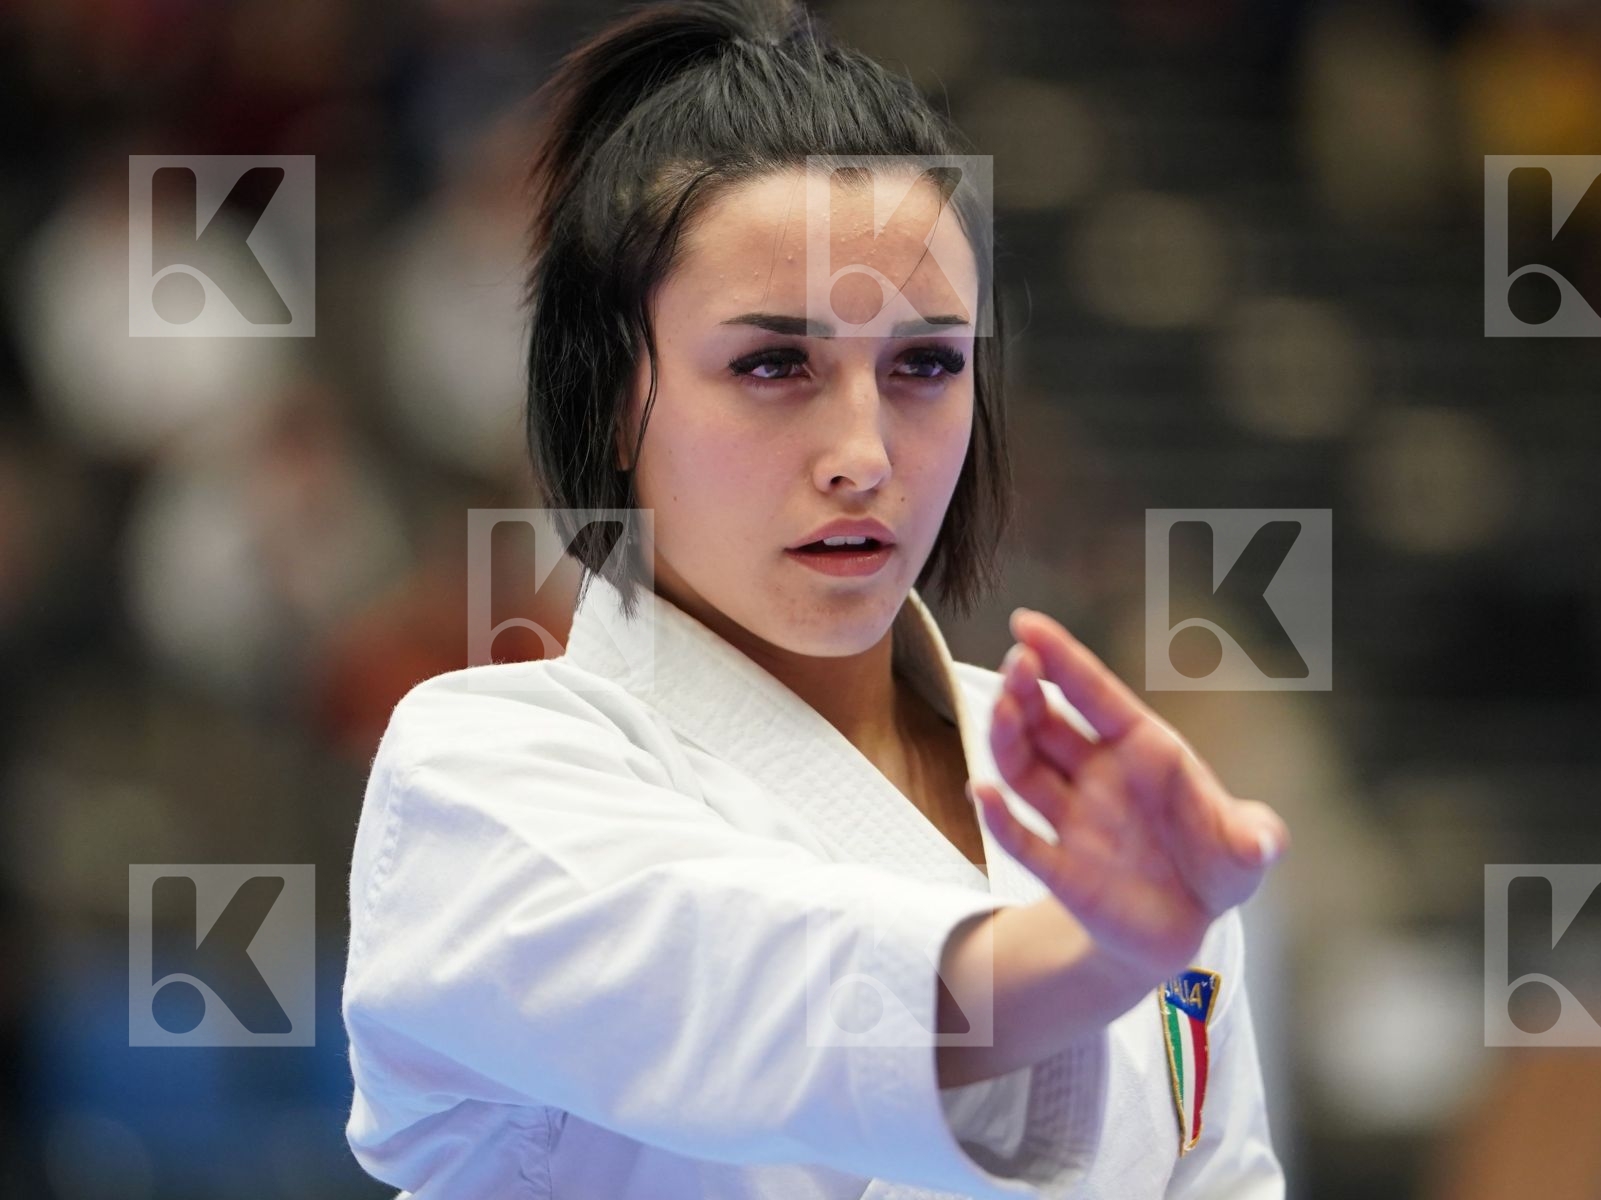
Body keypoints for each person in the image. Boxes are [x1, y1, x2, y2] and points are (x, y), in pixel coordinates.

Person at [340, 1, 1292, 1196]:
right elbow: (761, 991)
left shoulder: (1103, 815)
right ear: (609, 401)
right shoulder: (477, 776)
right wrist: (1095, 958)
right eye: (773, 364)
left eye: (925, 365)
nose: (865, 452)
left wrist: (1129, 932)